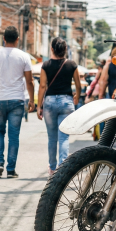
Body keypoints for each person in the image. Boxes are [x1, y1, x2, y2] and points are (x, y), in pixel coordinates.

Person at [0, 26, 35, 179]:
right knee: (14, 136)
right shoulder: (24, 56)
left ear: (3, 39)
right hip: (17, 100)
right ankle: (11, 170)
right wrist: (31, 100)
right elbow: (29, 81)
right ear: (17, 39)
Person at [38, 38, 82, 175]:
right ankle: (62, 169)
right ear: (65, 50)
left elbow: (42, 86)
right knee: (64, 137)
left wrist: (39, 105)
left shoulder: (45, 65)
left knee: (52, 138)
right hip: (66, 102)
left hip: (50, 102)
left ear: (52, 49)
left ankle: (52, 168)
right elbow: (78, 85)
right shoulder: (72, 64)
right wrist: (77, 97)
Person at [97, 46, 116, 152]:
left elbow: (103, 81)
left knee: (107, 124)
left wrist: (101, 96)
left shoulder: (109, 65)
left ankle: (104, 148)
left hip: (112, 99)